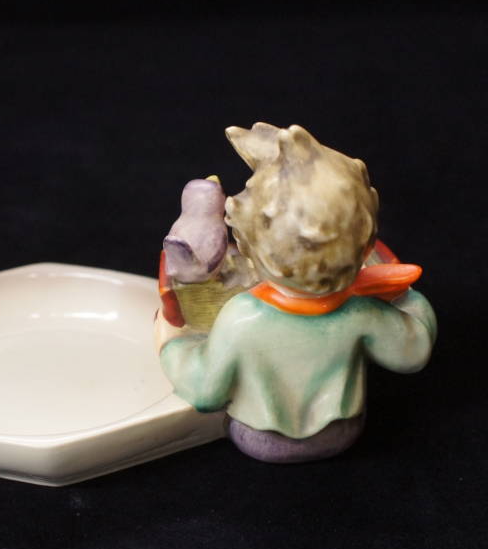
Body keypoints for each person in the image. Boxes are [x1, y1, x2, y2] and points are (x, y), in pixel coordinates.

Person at [155, 123, 437, 463]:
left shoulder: (242, 318)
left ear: (245, 243)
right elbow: (413, 352)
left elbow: (205, 392)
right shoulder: (361, 312)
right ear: (366, 245)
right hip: (343, 433)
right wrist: (407, 298)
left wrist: (173, 343)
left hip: (257, 438)